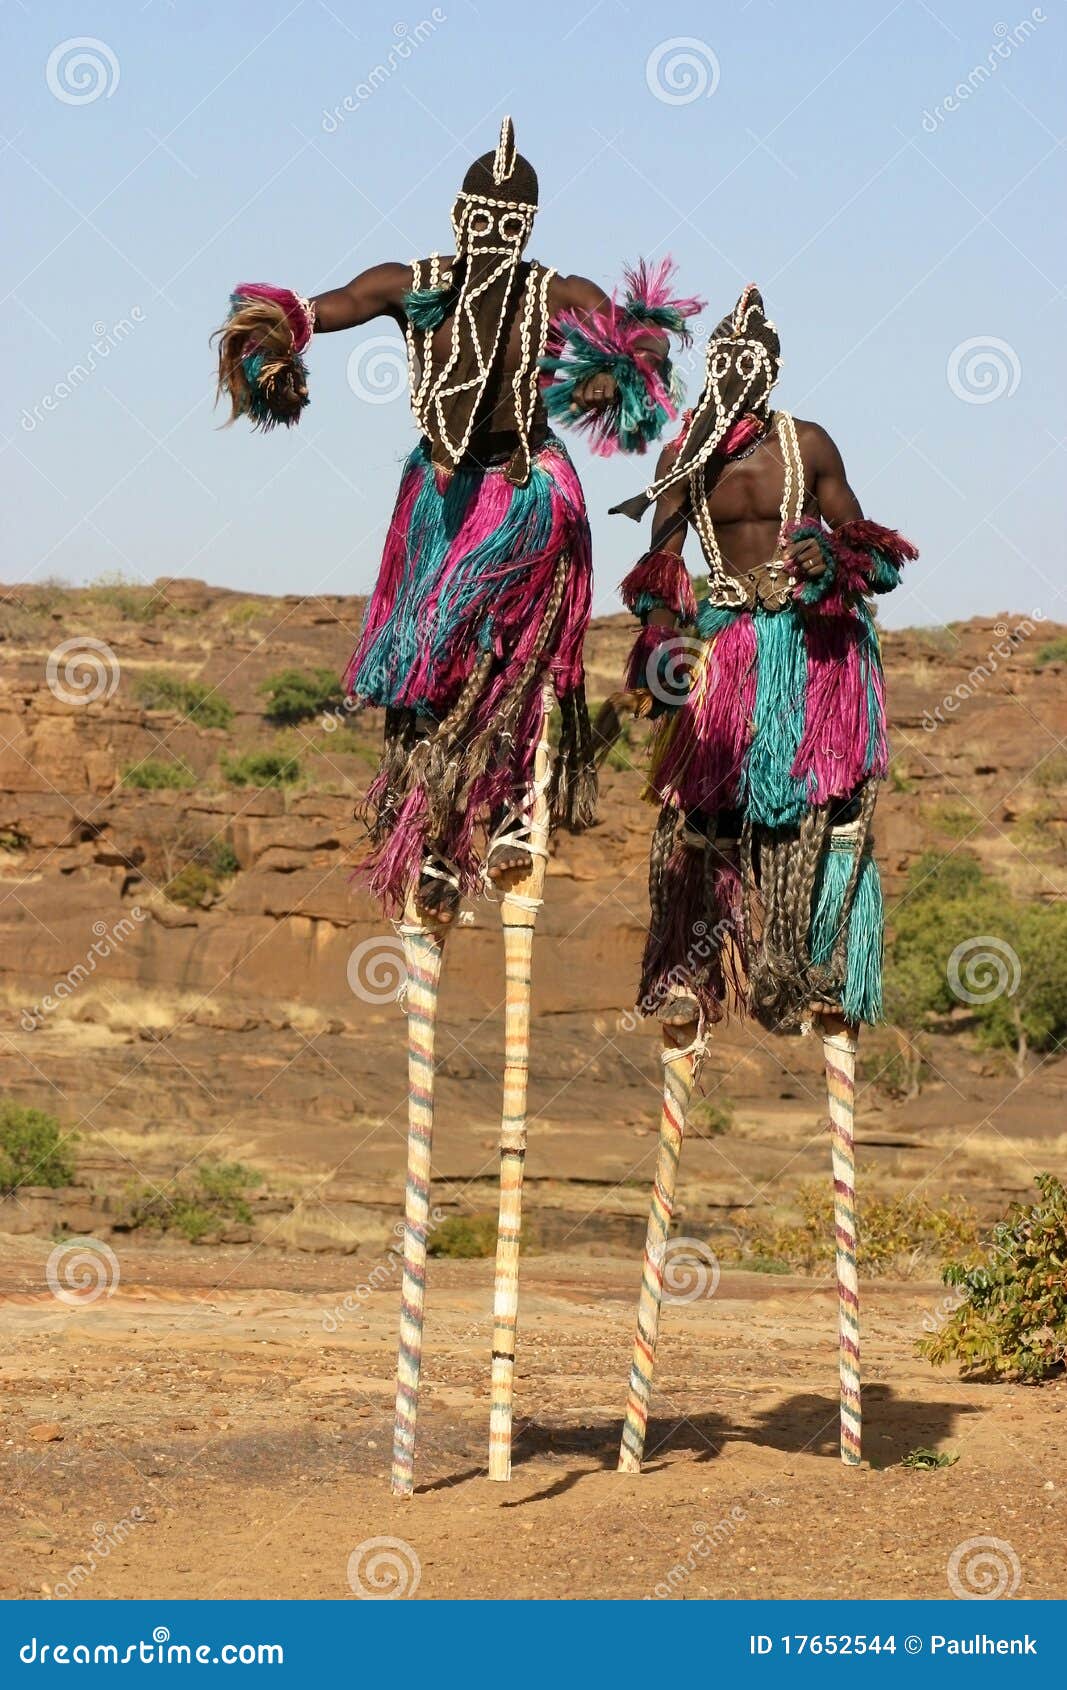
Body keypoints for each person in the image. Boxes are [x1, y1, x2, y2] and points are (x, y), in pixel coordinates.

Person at [214, 116, 701, 1494]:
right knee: (417, 671)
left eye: (508, 217)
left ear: (530, 224)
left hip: (520, 495)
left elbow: (625, 344)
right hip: (434, 492)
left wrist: (628, 356)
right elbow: (317, 305)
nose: (489, 232)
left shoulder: (550, 298)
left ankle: (502, 806)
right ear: (455, 213)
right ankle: (440, 825)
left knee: (470, 633)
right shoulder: (415, 277)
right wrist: (270, 339)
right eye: (474, 214)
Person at [609, 284, 918, 1473]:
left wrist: (830, 562)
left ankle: (825, 962)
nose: (733, 376)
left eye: (748, 362)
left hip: (810, 654)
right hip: (728, 659)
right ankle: (690, 973)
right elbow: (657, 564)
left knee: (828, 814)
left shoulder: (807, 447)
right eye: (720, 361)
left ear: (769, 370)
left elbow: (868, 548)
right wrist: (663, 630)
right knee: (699, 820)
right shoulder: (688, 452)